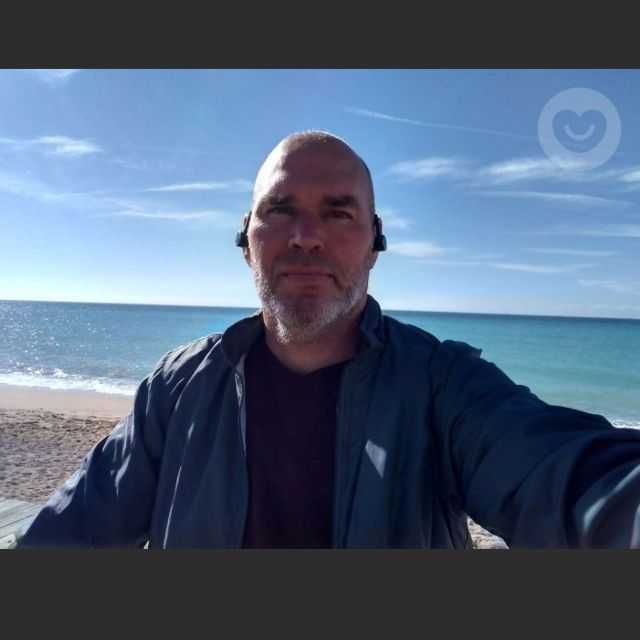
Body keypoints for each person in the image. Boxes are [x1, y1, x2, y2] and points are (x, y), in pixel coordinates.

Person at [18, 131, 640, 549]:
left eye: (339, 212)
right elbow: (69, 534)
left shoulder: (443, 387)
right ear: (247, 241)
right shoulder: (178, 389)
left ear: (374, 244)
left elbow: (565, 475)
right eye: (281, 209)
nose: (306, 236)